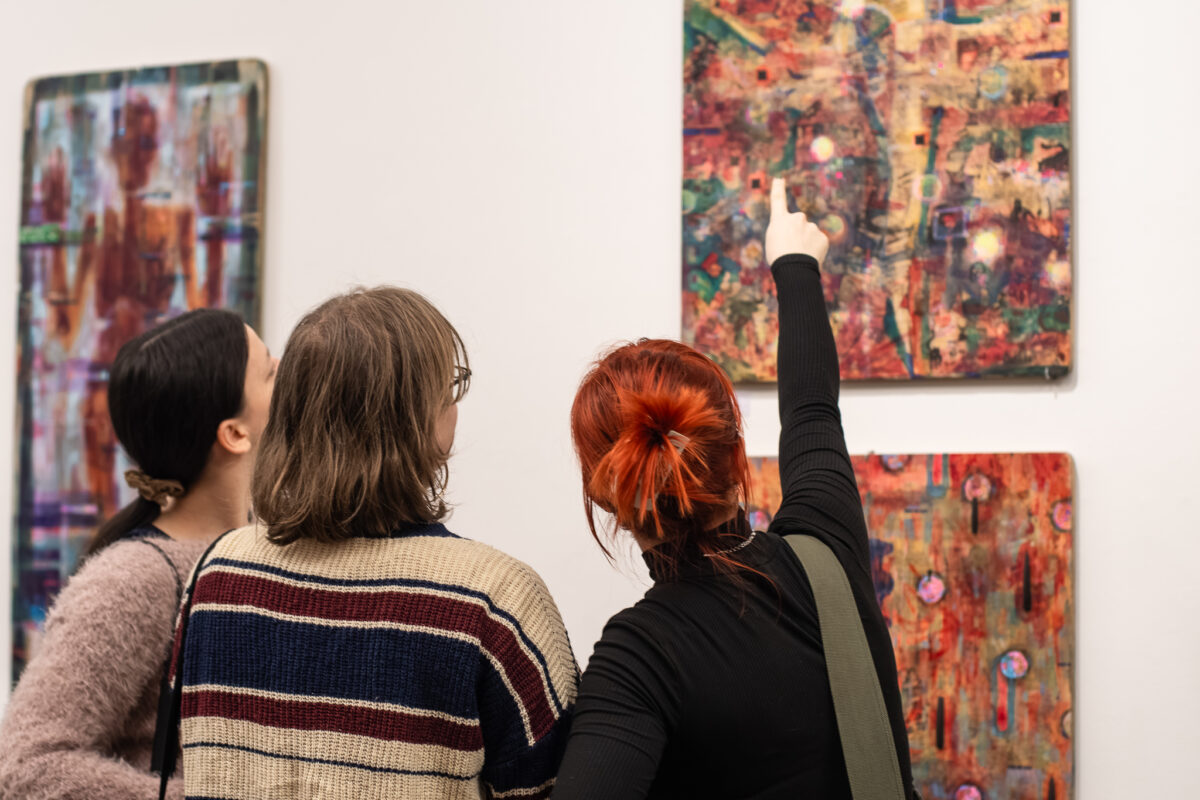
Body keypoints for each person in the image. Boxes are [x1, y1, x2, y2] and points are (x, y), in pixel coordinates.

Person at [552, 179, 914, 798]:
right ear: (736, 453)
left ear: (609, 497)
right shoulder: (827, 544)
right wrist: (794, 264)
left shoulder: (640, 658)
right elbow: (812, 410)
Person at [173, 287, 579, 800]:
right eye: (450, 386)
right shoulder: (493, 598)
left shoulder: (218, 573)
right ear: (418, 419)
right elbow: (555, 785)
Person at [0, 309, 277, 800]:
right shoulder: (133, 579)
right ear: (234, 433)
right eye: (271, 373)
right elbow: (24, 766)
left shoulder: (270, 546)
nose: (291, 385)